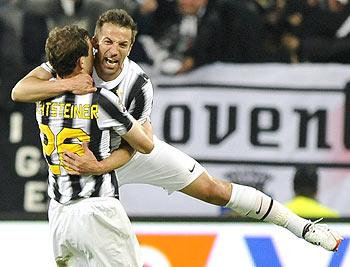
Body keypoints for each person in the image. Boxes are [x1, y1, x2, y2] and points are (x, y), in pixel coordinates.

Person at [12, 8, 343, 252]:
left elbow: (139, 146)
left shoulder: (137, 83)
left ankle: (300, 226)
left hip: (121, 156)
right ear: (95, 41)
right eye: (109, 41)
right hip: (85, 168)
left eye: (124, 45)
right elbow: (19, 91)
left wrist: (100, 165)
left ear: (131, 47)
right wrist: (68, 83)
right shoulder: (78, 59)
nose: (114, 50)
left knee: (214, 189)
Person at [25, 24, 154, 266]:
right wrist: (146, 124)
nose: (95, 52)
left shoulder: (41, 97)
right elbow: (145, 146)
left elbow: (20, 90)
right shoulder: (102, 100)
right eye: (90, 50)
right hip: (97, 210)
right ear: (80, 62)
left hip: (59, 216)